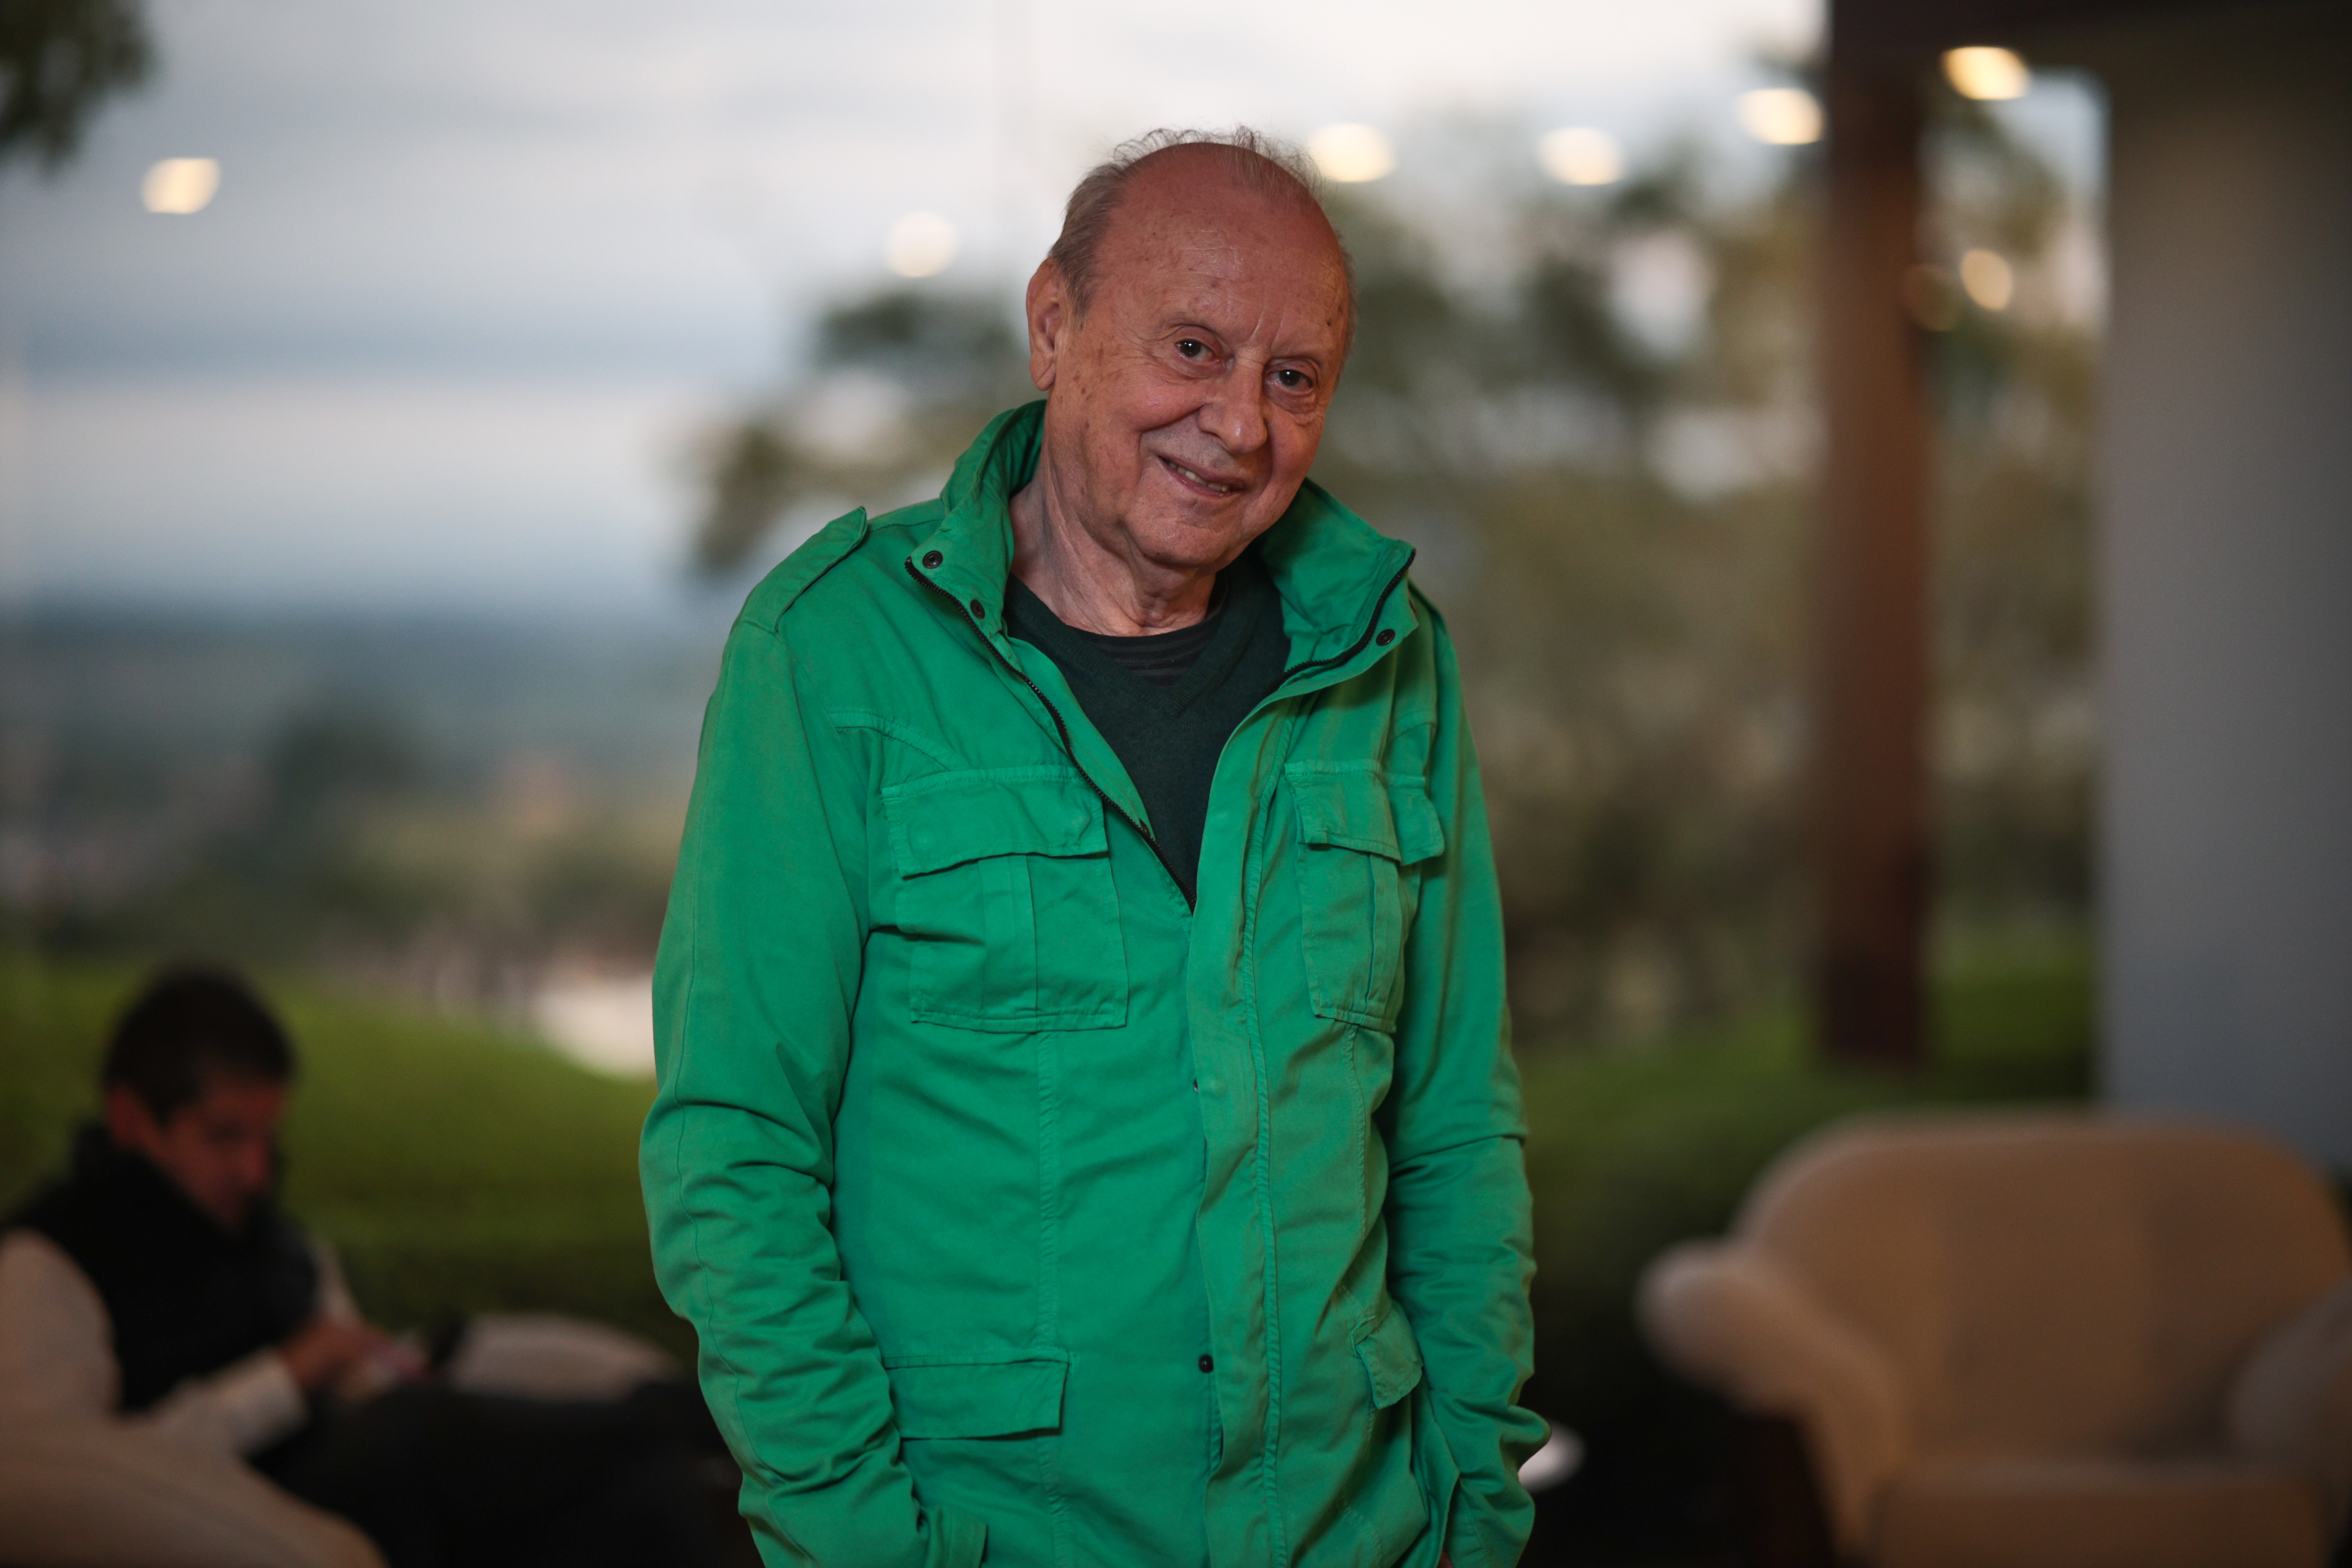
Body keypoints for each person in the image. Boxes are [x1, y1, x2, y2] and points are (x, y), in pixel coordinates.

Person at [642, 127, 1542, 1568]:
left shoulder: (1392, 657)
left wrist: (1472, 1509)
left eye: (1294, 377)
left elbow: (1455, 1132)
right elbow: (734, 1153)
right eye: (1192, 348)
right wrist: (858, 1542)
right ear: (1054, 325)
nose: (1238, 424)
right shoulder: (830, 653)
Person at [0, 965, 733, 1568]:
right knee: (415, 1434)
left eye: (266, 1139)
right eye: (224, 1138)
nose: (255, 1171)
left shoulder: (277, 1246)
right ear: (132, 1121)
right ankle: (678, 1416)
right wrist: (283, 1380)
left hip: (385, 1493)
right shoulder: (52, 1262)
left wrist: (384, 1369)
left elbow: (358, 1387)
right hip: (243, 1517)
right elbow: (65, 1484)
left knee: (651, 1499)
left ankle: (671, 1431)